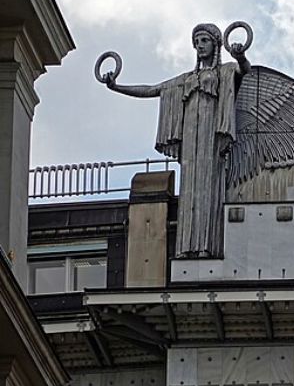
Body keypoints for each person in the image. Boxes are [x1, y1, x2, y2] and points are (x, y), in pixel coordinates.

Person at [103, 23, 250, 258]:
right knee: (190, 190)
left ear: (215, 44)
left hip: (211, 139)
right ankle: (186, 247)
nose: (200, 46)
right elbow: (151, 89)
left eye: (204, 41)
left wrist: (241, 55)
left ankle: (206, 246)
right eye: (197, 42)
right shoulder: (184, 79)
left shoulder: (226, 71)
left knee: (208, 189)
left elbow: (245, 71)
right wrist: (116, 86)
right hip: (191, 140)